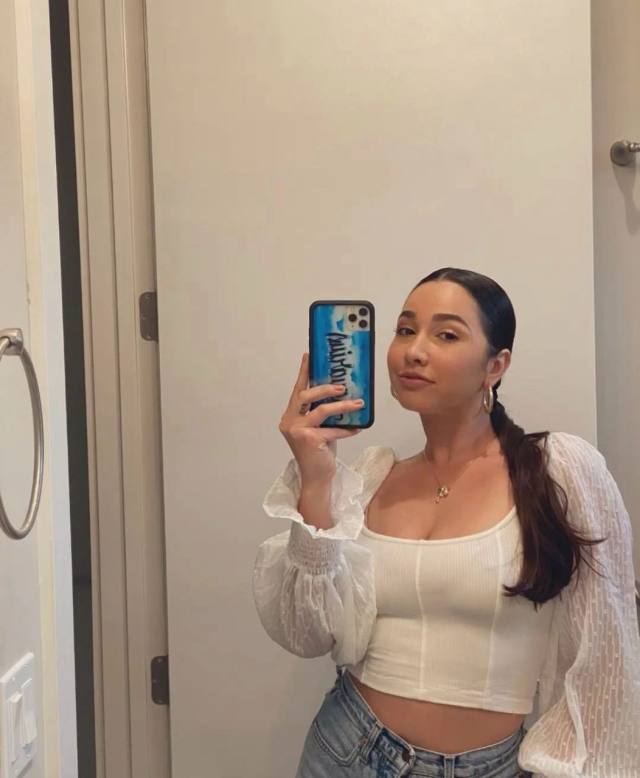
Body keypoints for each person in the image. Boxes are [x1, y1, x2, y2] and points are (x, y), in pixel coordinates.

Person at [252, 267, 640, 777]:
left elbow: (607, 651)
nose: (414, 350)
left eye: (447, 335)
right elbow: (308, 634)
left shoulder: (557, 470)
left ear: (495, 365)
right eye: (405, 329)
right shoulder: (370, 479)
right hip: (344, 751)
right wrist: (316, 478)